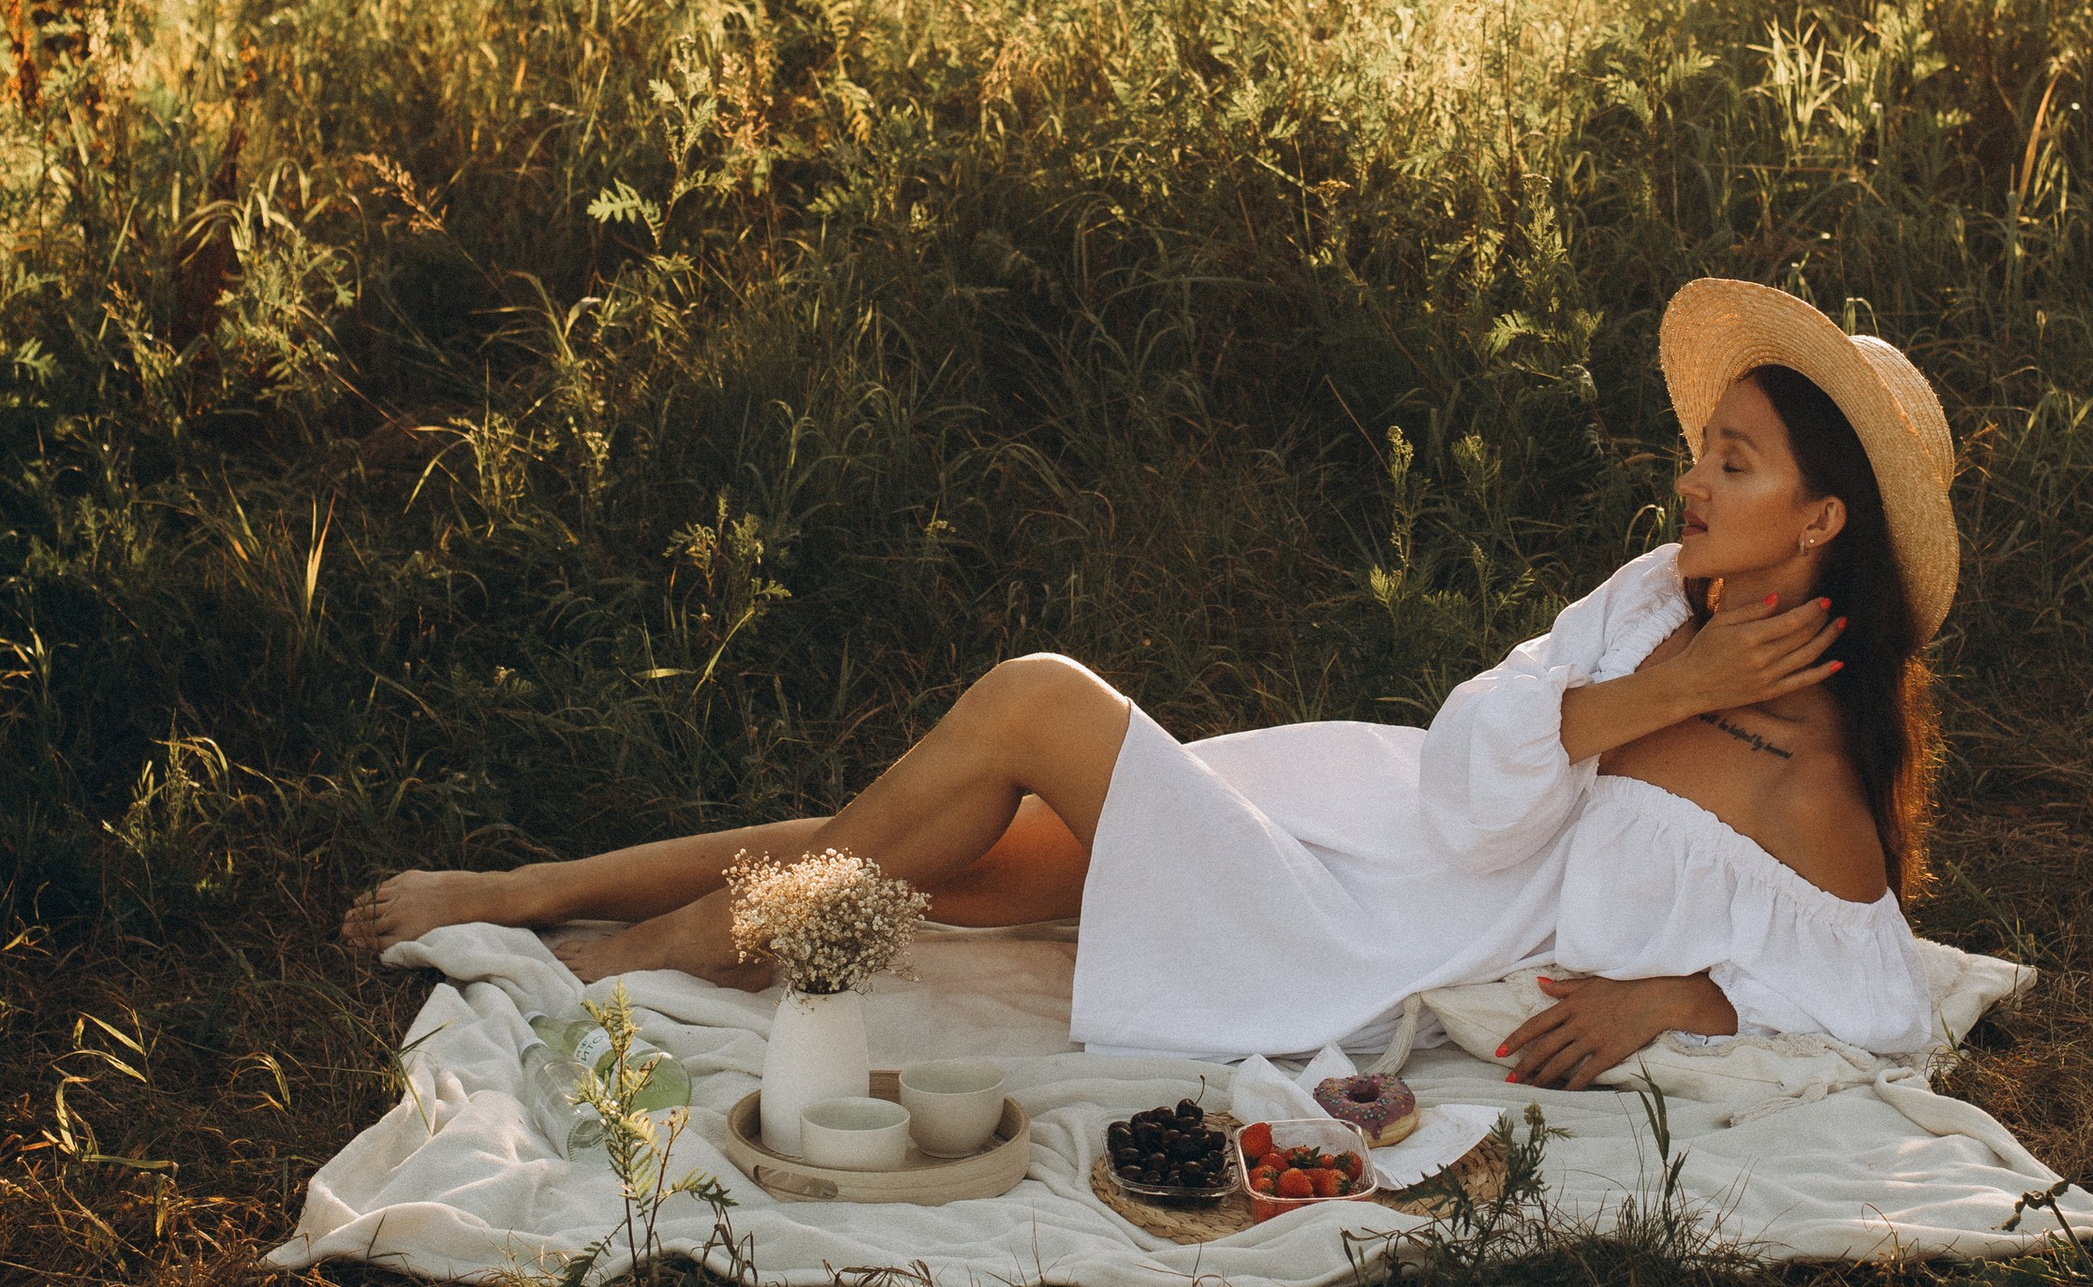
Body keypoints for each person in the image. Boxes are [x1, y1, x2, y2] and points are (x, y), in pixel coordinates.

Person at [342, 279, 1958, 1085]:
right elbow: (1478, 752)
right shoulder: (1654, 599)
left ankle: (636, 960)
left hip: (1361, 935)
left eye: (1732, 462)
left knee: (1032, 703)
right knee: (920, 856)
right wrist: (1649, 692)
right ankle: (527, 891)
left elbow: (1884, 1002)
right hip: (1355, 817)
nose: (1690, 482)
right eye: (1702, 450)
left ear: (1822, 520)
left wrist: (1680, 1000)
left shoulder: (1806, 775)